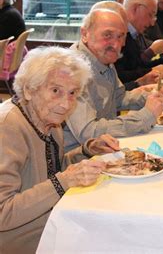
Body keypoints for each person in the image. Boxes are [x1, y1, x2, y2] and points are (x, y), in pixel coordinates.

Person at [0, 46, 120, 253]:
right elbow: (3, 213)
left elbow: (48, 171)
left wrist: (87, 151)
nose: (65, 104)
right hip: (21, 239)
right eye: (55, 91)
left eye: (73, 93)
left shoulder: (48, 120)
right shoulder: (7, 128)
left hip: (51, 219)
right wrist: (65, 181)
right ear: (29, 89)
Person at [63, 8, 163, 151]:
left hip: (108, 147)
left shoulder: (102, 56)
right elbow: (89, 132)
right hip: (79, 160)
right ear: (84, 34)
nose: (116, 45)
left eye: (121, 36)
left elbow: (119, 97)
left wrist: (152, 96)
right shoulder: (72, 71)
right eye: (107, 35)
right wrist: (145, 116)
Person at [115, 0, 163, 90]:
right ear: (135, 9)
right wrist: (151, 70)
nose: (152, 23)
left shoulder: (134, 33)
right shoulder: (119, 34)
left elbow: (139, 65)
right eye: (150, 15)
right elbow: (119, 76)